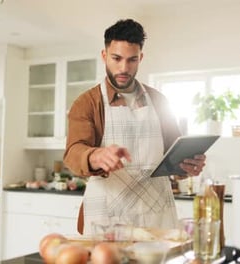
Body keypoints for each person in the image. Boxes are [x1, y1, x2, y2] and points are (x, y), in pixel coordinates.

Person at [63, 18, 206, 235]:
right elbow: (74, 151)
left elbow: (173, 156)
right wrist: (96, 156)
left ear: (140, 57)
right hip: (107, 217)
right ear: (104, 56)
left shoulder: (159, 101)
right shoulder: (87, 103)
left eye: (132, 60)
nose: (124, 68)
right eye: (116, 58)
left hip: (156, 217)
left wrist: (187, 166)